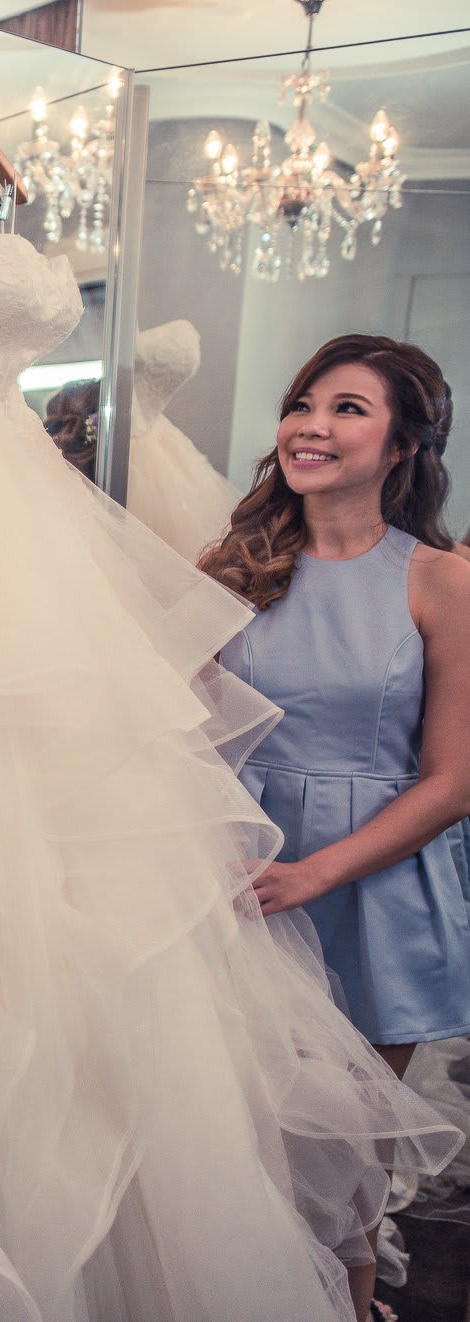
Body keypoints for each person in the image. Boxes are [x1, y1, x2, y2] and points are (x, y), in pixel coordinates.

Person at [208, 333, 470, 1318]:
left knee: (341, 1173)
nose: (313, 425)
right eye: (303, 403)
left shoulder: (443, 580)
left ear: (404, 443)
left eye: (349, 407)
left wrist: (316, 875)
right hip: (240, 874)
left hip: (371, 889)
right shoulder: (232, 567)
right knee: (245, 1152)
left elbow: (453, 781)